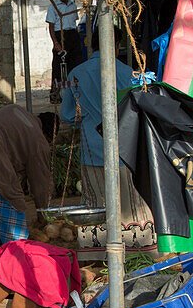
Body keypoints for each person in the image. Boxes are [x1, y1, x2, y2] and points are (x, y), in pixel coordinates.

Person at [60, 28, 156, 259]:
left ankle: (98, 258)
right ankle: (138, 255)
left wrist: (88, 118)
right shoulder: (128, 74)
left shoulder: (77, 73)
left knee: (95, 204)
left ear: (91, 44)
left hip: (92, 150)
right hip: (126, 150)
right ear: (117, 44)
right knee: (131, 204)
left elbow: (68, 115)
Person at [0, 105, 53, 243]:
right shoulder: (39, 140)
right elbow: (41, 183)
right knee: (10, 194)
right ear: (48, 135)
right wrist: (43, 215)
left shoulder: (20, 112)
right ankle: (17, 243)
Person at [46, 0, 86, 105]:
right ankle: (55, 95)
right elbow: (51, 27)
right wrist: (56, 43)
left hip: (72, 35)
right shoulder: (53, 6)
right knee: (58, 68)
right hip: (60, 35)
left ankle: (76, 93)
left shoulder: (73, 5)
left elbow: (74, 23)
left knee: (76, 65)